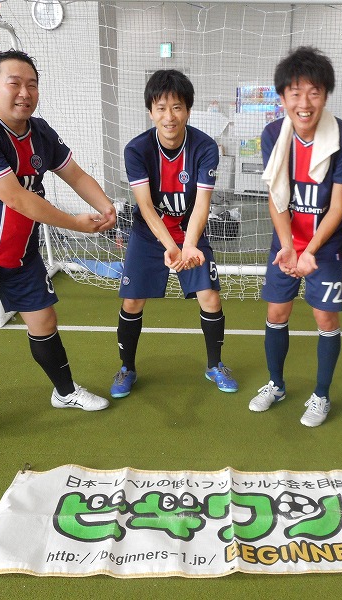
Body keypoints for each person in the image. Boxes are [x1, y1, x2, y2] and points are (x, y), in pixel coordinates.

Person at [0, 50, 117, 457]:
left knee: (44, 321)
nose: (24, 93)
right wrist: (76, 224)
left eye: (31, 84)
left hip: (21, 252)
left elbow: (75, 174)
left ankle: (64, 392)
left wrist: (106, 207)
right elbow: (17, 198)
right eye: (14, 83)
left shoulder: (41, 132)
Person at [109, 69, 237, 398]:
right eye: (161, 108)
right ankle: (126, 368)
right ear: (151, 111)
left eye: (177, 107)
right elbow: (145, 206)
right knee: (132, 300)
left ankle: (215, 365)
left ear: (188, 110)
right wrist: (171, 247)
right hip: (149, 235)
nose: (169, 116)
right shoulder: (137, 150)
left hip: (188, 233)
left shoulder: (205, 147)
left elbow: (202, 204)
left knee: (210, 296)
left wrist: (189, 246)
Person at [249, 46, 342, 427]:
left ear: (325, 95)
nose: (304, 103)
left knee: (325, 317)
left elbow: (338, 206)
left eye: (314, 92)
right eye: (295, 93)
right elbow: (276, 197)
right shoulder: (272, 135)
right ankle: (276, 385)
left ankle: (321, 395)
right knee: (276, 312)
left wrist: (309, 250)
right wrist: (288, 247)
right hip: (286, 245)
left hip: (324, 247)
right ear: (282, 98)